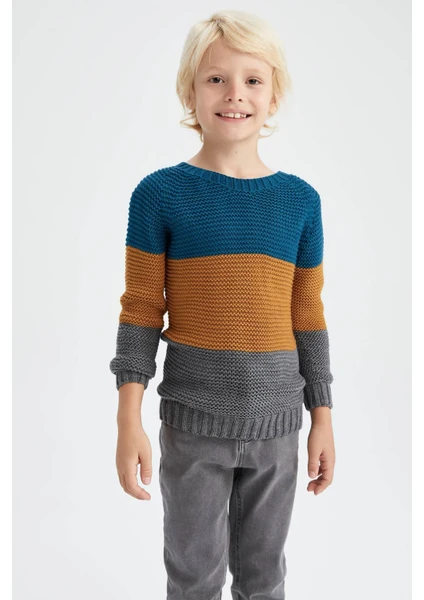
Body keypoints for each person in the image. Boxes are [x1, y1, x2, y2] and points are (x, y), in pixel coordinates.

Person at [110, 9, 336, 600]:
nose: (235, 94)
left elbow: (307, 315)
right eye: (216, 79)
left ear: (274, 94)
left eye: (252, 80)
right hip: (191, 424)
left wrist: (323, 416)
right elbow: (140, 310)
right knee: (193, 581)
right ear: (190, 89)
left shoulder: (300, 202)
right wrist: (128, 419)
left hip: (277, 428)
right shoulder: (159, 195)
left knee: (265, 580)